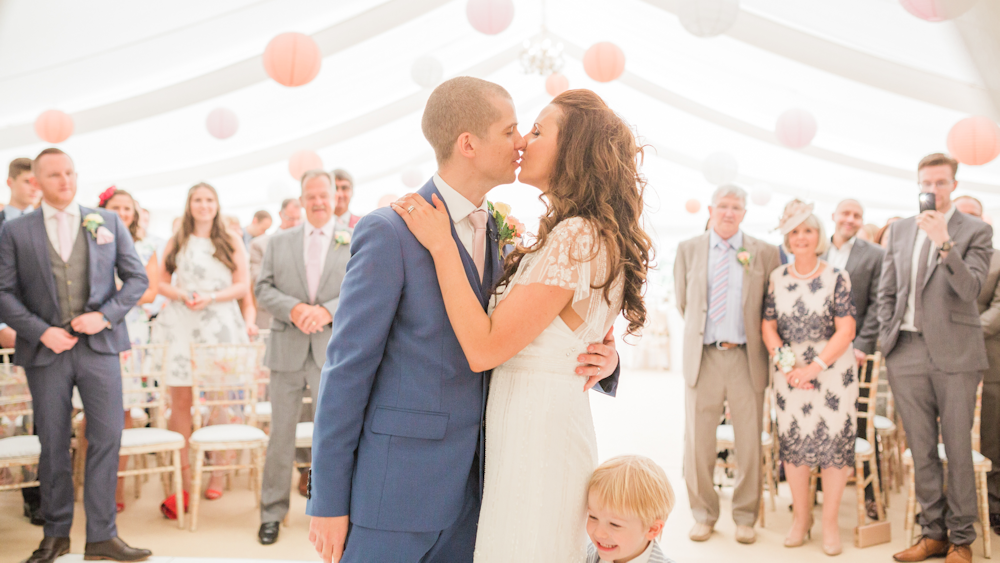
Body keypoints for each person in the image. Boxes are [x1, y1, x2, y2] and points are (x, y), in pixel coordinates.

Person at [307, 80, 625, 563]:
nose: (521, 141)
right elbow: (346, 370)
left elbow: (540, 325)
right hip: (398, 491)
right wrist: (327, 499)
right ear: (469, 143)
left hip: (485, 487)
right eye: (513, 129)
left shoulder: (503, 232)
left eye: (530, 131)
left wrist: (606, 359)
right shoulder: (389, 231)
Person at [0, 148, 150, 563]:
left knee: (106, 438)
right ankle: (56, 534)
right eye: (54, 175)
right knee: (52, 442)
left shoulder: (108, 221)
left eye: (69, 172)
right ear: (36, 182)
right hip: (46, 353)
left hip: (99, 349)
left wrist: (105, 317)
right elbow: (3, 293)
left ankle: (102, 537)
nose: (64, 180)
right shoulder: (15, 231)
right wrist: (41, 331)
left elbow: (137, 279)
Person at [879, 154, 992, 563]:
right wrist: (887, 339)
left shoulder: (976, 230)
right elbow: (887, 291)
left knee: (957, 448)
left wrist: (945, 242)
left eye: (942, 182)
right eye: (927, 182)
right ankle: (933, 534)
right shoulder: (900, 231)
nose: (934, 189)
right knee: (921, 448)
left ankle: (962, 539)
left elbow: (972, 290)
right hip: (905, 351)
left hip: (957, 354)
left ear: (953, 185)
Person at [673, 184, 780, 545]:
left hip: (746, 357)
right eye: (723, 206)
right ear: (710, 209)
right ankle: (703, 514)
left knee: (749, 442)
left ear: (745, 213)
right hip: (703, 357)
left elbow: (771, 305)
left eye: (736, 207)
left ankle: (746, 515)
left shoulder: (764, 252)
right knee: (698, 442)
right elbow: (684, 303)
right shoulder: (688, 250)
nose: (729, 212)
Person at [255, 170, 351, 545]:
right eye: (310, 195)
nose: (318, 201)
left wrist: (327, 310)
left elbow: (365, 288)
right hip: (286, 349)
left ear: (334, 196)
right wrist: (294, 308)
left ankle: (331, 510)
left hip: (333, 350)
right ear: (301, 198)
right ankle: (271, 513)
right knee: (280, 435)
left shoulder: (354, 238)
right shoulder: (279, 241)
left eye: (323, 194)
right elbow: (262, 288)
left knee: (333, 434)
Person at [761, 200, 858, 556]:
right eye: (795, 232)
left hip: (833, 374)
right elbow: (768, 326)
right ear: (787, 238)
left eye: (808, 230)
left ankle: (830, 522)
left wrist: (813, 368)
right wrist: (788, 367)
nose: (801, 237)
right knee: (796, 448)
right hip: (789, 376)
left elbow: (846, 329)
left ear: (818, 235)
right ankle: (802, 519)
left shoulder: (837, 276)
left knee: (834, 448)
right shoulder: (777, 277)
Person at [151, 182, 251, 515]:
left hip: (219, 323)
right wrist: (182, 294)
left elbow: (242, 284)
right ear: (189, 204)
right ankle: (184, 473)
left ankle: (218, 472)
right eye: (197, 199)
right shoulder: (177, 239)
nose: (203, 205)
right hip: (181, 324)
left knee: (220, 400)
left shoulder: (230, 240)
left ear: (216, 204)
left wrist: (211, 297)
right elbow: (160, 282)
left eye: (209, 199)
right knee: (180, 399)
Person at [98, 187, 161, 513]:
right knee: (95, 414)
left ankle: (116, 487)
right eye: (116, 207)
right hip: (96, 332)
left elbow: (150, 293)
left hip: (131, 333)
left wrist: (111, 295)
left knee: (123, 412)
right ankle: (96, 485)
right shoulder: (94, 240)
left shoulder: (147, 245)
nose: (122, 212)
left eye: (127, 207)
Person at [826, 198, 886, 517]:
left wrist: (863, 344)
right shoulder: (816, 250)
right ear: (833, 216)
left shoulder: (874, 255)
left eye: (857, 215)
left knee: (860, 421)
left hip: (855, 352)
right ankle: (819, 489)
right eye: (845, 213)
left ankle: (870, 495)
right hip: (819, 355)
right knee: (823, 419)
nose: (850, 219)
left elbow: (878, 304)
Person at [953, 195, 1000, 536]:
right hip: (947, 359)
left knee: (993, 435)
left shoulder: (998, 260)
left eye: (974, 216)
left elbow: (997, 311)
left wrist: (960, 333)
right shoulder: (940, 256)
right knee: (950, 432)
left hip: (990, 357)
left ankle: (995, 505)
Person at [1, 157, 43, 525]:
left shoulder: (45, 224)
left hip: (37, 338)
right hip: (4, 338)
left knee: (37, 418)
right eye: (28, 181)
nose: (35, 187)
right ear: (11, 182)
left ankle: (36, 497)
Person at [585, 455, 677, 563]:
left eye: (615, 524)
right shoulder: (586, 554)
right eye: (593, 517)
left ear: (652, 529)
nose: (599, 533)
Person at [250, 198, 302, 330]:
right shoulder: (259, 244)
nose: (295, 224)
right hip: (270, 316)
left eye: (298, 219)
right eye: (290, 218)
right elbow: (258, 280)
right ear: (281, 214)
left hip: (303, 319)